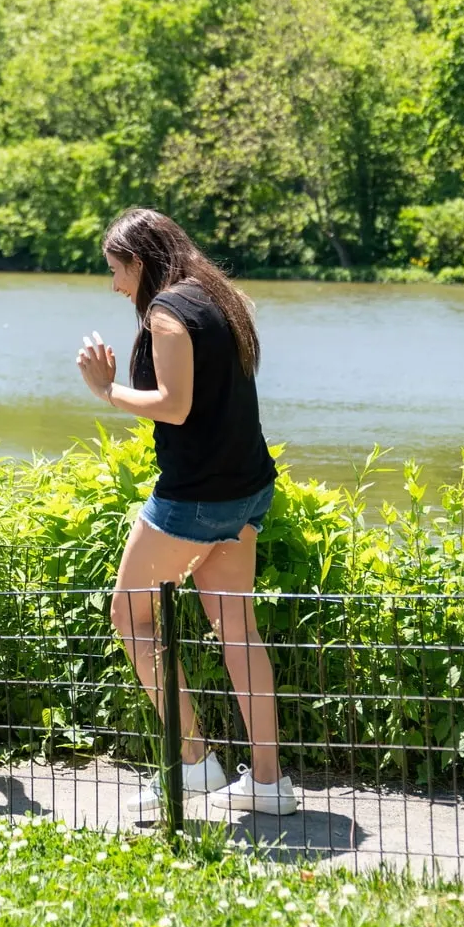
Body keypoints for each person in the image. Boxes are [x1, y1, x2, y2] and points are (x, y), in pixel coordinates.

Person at [76, 208, 297, 821]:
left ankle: (196, 763)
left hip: (196, 498)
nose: (116, 284)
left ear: (139, 261)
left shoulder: (168, 311)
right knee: (236, 629)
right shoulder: (215, 295)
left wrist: (105, 389)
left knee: (130, 614)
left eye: (116, 270)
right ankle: (270, 783)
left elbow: (173, 408)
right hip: (248, 489)